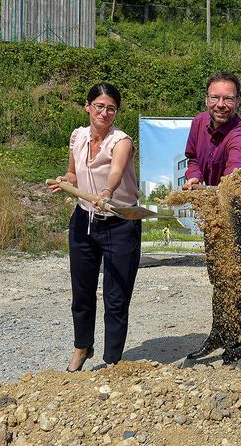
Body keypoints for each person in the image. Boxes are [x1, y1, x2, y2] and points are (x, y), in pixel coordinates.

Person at [48, 82, 141, 372]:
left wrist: (107, 192)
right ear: (88, 106)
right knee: (82, 292)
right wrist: (65, 181)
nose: (104, 112)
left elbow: (115, 172)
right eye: (99, 106)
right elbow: (74, 172)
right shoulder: (77, 136)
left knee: (116, 296)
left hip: (120, 223)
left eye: (111, 108)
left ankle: (112, 360)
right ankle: (81, 347)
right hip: (84, 221)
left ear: (116, 112)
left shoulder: (121, 141)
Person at [182, 71, 241, 365]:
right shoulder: (198, 123)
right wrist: (194, 178)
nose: (221, 104)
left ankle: (236, 343)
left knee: (235, 278)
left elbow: (233, 181)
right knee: (218, 275)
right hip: (215, 211)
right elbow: (192, 159)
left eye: (228, 98)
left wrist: (213, 190)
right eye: (215, 97)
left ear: (238, 101)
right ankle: (218, 333)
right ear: (206, 99)